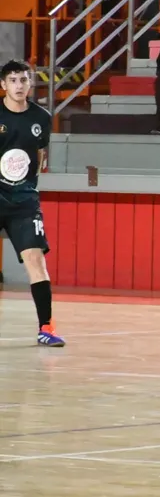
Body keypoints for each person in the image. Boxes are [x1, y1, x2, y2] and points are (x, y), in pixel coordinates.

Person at [0, 60, 66, 346]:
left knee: (35, 260)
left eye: (23, 80)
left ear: (30, 84)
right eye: (12, 80)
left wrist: (29, 188)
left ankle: (47, 327)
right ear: (3, 85)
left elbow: (38, 156)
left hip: (23, 199)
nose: (18, 86)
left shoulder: (41, 117)